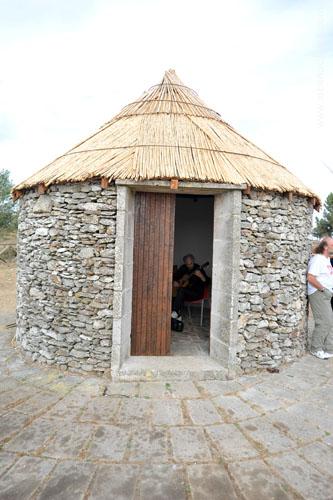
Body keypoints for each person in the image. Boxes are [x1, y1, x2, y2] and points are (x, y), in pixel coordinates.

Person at [307, 237, 333, 359]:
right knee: (324, 322)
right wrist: (323, 289)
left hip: (326, 293)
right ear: (325, 247)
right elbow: (310, 278)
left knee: (330, 322)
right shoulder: (317, 259)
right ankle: (315, 348)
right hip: (318, 293)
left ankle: (329, 349)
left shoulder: (326, 259)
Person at [172, 254, 207, 320]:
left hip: (196, 293)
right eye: (187, 264)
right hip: (185, 293)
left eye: (191, 263)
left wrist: (201, 276)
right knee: (174, 294)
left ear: (193, 261)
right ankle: (177, 316)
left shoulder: (198, 268)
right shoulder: (183, 268)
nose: (190, 265)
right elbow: (175, 276)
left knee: (181, 291)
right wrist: (176, 281)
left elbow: (207, 282)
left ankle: (175, 312)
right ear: (185, 263)